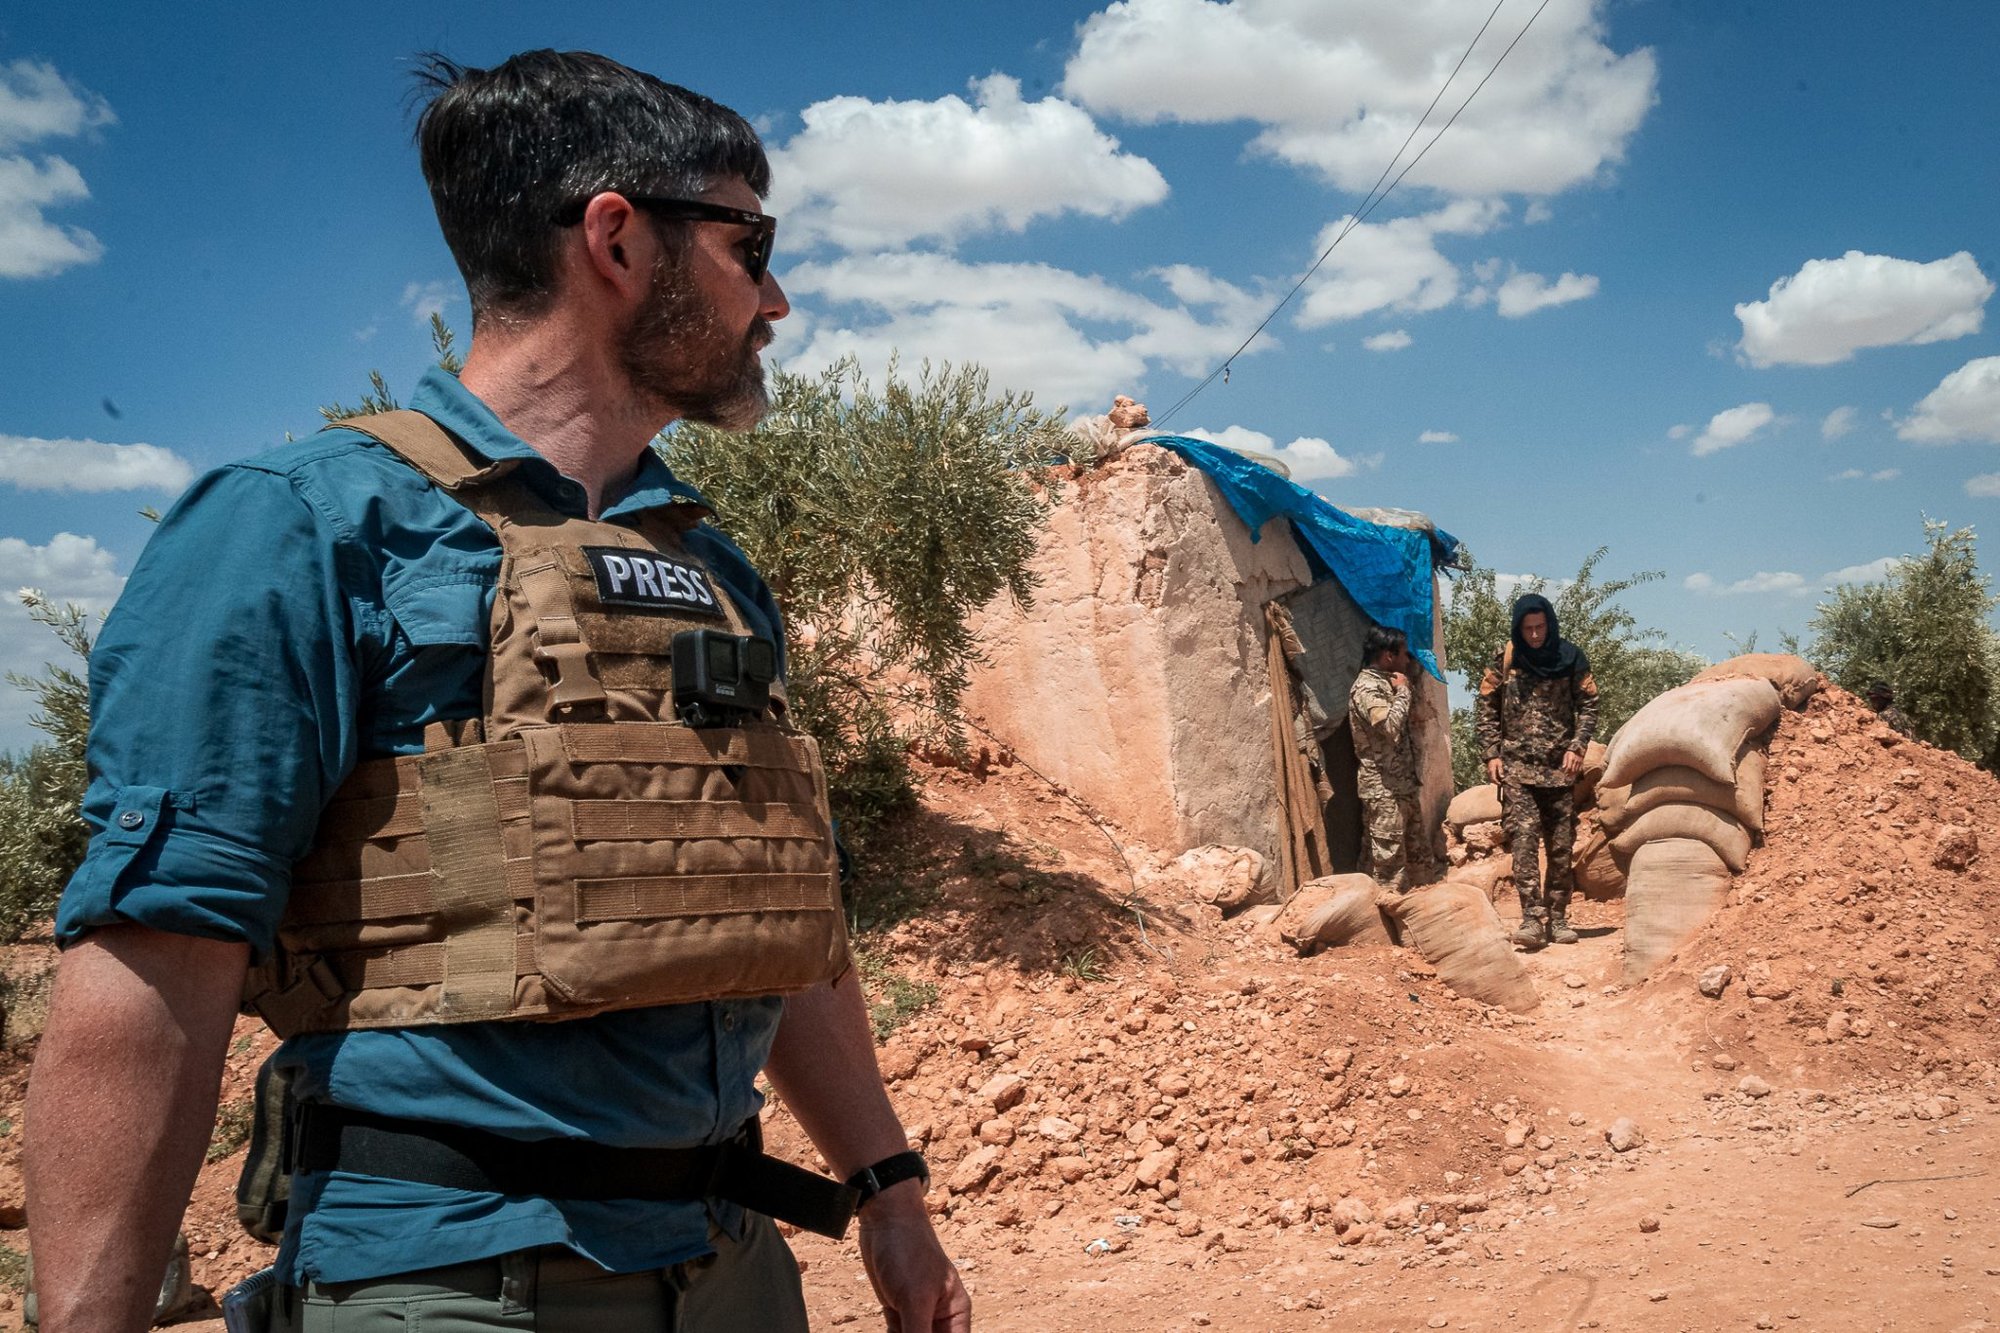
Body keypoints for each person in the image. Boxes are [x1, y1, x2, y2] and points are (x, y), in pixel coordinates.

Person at [24, 51, 969, 1333]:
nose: (777, 297)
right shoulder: (301, 526)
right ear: (618, 240)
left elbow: (775, 912)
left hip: (731, 1266)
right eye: (751, 243)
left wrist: (888, 1191)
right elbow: (158, 953)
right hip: (454, 1282)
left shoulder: (709, 563)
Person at [1475, 593, 1599, 950]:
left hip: (1559, 769)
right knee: (1525, 843)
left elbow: (1589, 704)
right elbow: (1485, 708)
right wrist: (1491, 754)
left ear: (1550, 624)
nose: (1534, 635)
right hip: (1516, 768)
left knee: (1561, 846)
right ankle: (1532, 919)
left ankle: (1558, 918)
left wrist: (1578, 746)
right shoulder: (1505, 659)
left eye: (1540, 627)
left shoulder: (1570, 657)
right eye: (1527, 628)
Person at [1347, 625, 1437, 894]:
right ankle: (1381, 931)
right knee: (1388, 871)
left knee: (1419, 863)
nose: (1408, 660)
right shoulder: (1366, 689)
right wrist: (1404, 692)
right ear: (1388, 655)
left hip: (1403, 788)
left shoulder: (1388, 683)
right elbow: (1388, 725)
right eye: (1404, 654)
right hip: (1383, 792)